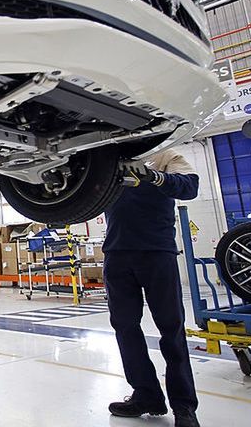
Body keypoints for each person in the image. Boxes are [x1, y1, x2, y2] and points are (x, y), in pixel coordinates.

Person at [103, 148, 201, 427]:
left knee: (171, 330)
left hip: (157, 253)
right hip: (117, 253)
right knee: (125, 328)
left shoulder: (165, 156)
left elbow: (190, 187)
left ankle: (184, 407)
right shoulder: (105, 161)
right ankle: (146, 395)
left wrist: (155, 177)